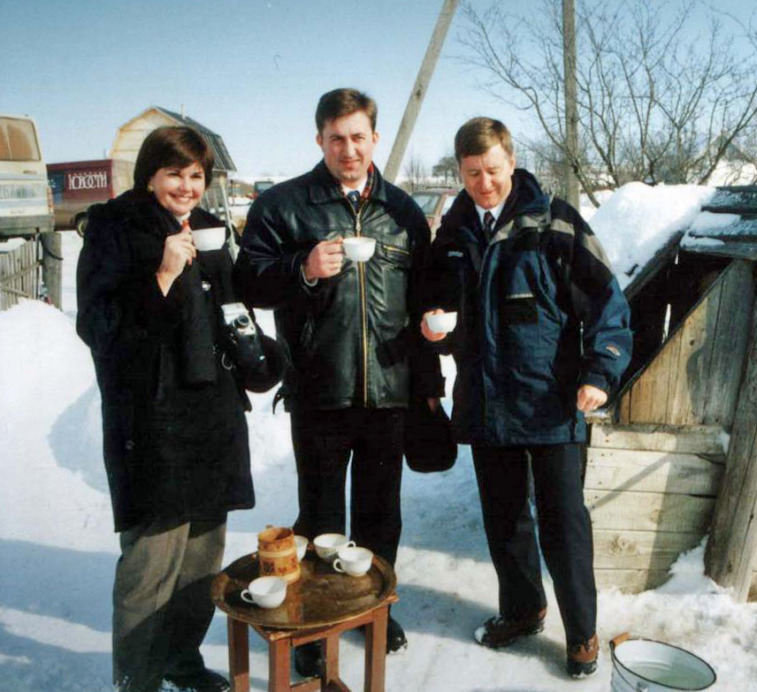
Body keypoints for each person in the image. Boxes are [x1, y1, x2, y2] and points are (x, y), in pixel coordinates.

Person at [234, 88, 442, 671]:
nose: (348, 150)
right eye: (336, 138)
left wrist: (428, 384)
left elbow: (423, 298)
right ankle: (312, 628)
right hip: (320, 391)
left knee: (381, 515)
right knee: (321, 518)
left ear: (374, 138)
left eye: (358, 137)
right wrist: (300, 268)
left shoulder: (401, 211)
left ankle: (372, 609)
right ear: (319, 139)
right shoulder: (284, 205)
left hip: (389, 391)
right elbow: (248, 281)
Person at [421, 117, 633, 678]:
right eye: (472, 174)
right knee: (504, 517)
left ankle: (582, 633)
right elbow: (436, 294)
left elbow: (608, 305)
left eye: (492, 170)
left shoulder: (556, 222)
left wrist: (600, 373)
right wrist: (433, 323)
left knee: (564, 523)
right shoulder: (455, 233)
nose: (484, 183)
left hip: (551, 402)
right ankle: (522, 610)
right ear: (460, 172)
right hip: (488, 403)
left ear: (511, 162)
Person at [77, 126, 260, 692]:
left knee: (203, 556)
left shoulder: (207, 228)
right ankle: (136, 679)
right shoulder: (114, 228)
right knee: (151, 563)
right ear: (150, 174)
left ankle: (180, 660)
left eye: (197, 176)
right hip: (152, 419)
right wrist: (160, 276)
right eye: (175, 173)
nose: (186, 186)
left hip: (212, 416)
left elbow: (230, 305)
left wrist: (260, 356)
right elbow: (98, 326)